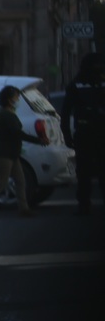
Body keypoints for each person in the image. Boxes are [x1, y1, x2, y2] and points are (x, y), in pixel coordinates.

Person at [0, 84, 49, 218]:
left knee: (20, 180)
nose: (18, 100)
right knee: (1, 182)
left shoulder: (3, 113)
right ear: (9, 99)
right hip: (4, 154)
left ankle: (24, 209)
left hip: (10, 153)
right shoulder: (6, 115)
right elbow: (18, 133)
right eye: (16, 97)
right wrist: (39, 141)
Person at [61, 52, 105, 215]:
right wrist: (66, 134)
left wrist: (67, 134)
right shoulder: (77, 85)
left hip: (91, 133)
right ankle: (84, 203)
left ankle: (84, 203)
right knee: (85, 172)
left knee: (89, 171)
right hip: (87, 133)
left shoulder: (80, 84)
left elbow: (65, 113)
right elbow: (65, 113)